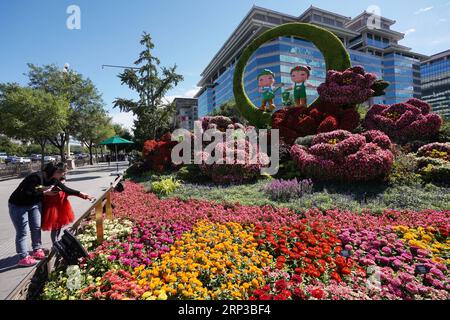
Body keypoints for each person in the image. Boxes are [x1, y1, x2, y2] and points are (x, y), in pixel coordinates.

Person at [8, 163, 60, 267]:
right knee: (22, 231)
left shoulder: (52, 179)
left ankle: (37, 249)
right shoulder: (35, 177)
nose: (60, 175)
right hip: (18, 205)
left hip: (34, 204)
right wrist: (44, 192)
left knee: (36, 227)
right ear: (50, 172)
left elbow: (53, 187)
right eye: (58, 172)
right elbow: (28, 193)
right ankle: (23, 257)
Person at [41, 163, 93, 244]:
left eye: (64, 183)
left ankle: (57, 241)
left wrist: (85, 196)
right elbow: (43, 193)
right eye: (62, 183)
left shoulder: (63, 191)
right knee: (55, 228)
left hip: (62, 210)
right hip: (52, 210)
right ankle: (55, 244)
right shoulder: (53, 187)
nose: (63, 184)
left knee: (59, 227)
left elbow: (72, 192)